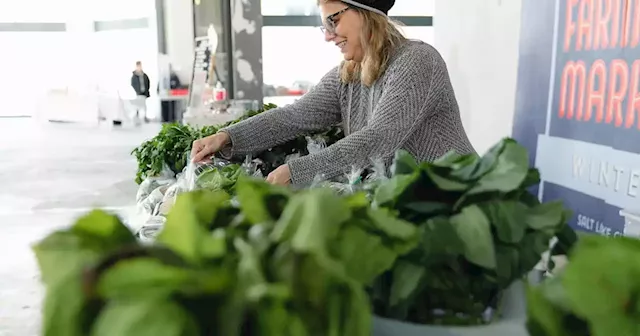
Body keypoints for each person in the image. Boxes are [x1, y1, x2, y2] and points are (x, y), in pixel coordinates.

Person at [191, 0, 475, 186]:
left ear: (365, 13)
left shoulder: (417, 61)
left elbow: (379, 139)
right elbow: (295, 116)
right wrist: (228, 136)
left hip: (459, 201)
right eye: (324, 25)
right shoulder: (349, 73)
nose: (328, 35)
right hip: (415, 203)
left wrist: (298, 171)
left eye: (333, 21)